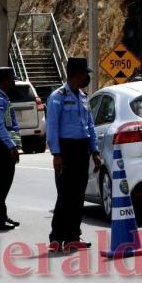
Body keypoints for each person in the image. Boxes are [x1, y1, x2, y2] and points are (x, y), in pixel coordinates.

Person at [46, 58, 101, 251]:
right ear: (77, 74)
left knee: (78, 195)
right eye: (86, 73)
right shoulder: (58, 97)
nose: (88, 77)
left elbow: (90, 126)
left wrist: (94, 150)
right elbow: (52, 127)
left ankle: (72, 237)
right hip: (65, 149)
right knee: (65, 194)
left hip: (82, 148)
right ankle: (56, 237)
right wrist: (56, 154)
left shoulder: (84, 97)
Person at [0, 67, 21, 231]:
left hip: (2, 144)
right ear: (5, 81)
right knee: (2, 183)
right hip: (2, 146)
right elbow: (0, 126)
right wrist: (11, 146)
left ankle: (2, 215)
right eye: (12, 79)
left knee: (3, 182)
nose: (13, 82)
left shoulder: (1, 97)